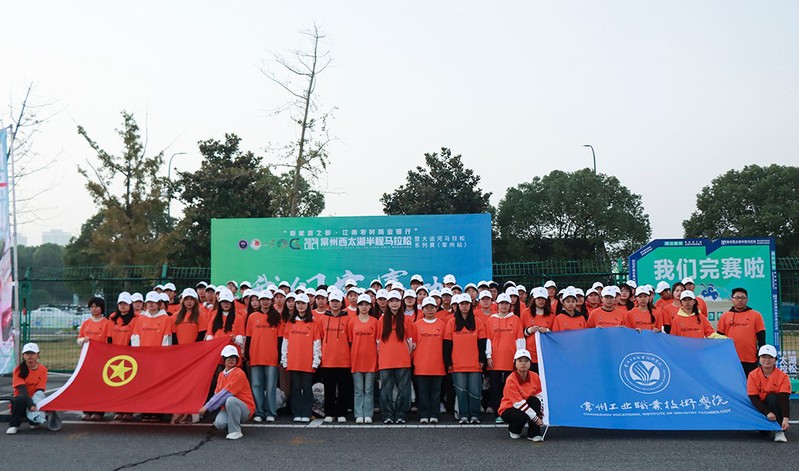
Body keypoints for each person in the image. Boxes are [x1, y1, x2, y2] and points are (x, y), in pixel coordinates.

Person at [444, 294, 487, 424]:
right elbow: (447, 344)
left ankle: (475, 415)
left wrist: (482, 360)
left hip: (474, 364)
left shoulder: (477, 321)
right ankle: (463, 415)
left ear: (471, 305)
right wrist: (448, 362)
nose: (464, 306)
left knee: (475, 391)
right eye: (462, 304)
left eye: (466, 304)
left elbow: (482, 343)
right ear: (458, 306)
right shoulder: (452, 322)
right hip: (457, 364)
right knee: (461, 391)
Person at [200, 345, 255, 440]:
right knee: (219, 424)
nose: (231, 360)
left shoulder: (239, 373)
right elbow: (217, 394)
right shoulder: (221, 375)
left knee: (230, 399)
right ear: (224, 359)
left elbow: (226, 393)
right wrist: (207, 405)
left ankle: (235, 431)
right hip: (228, 407)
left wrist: (208, 407)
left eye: (234, 357)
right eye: (228, 357)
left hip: (245, 408)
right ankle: (232, 424)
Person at [281, 293, 321, 422]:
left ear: (307, 305)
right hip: (294, 361)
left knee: (307, 388)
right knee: (296, 388)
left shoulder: (314, 322)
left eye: (303, 303)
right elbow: (285, 342)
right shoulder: (290, 322)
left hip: (308, 362)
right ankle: (297, 413)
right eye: (298, 303)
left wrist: (316, 361)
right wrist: (284, 360)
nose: (300, 306)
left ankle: (307, 413)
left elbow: (317, 343)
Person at [485, 293, 525, 423]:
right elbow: (488, 340)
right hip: (495, 360)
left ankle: (511, 412)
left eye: (506, 303)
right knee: (495, 388)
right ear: (497, 305)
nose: (504, 306)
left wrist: (520, 358)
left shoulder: (515, 319)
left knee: (511, 388)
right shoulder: (491, 320)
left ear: (510, 305)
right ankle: (498, 413)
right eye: (501, 303)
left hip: (511, 360)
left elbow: (520, 339)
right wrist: (488, 356)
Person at [377, 291, 415, 424]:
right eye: (391, 301)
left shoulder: (407, 319)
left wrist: (406, 355)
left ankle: (401, 414)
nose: (394, 303)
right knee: (385, 390)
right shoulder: (381, 320)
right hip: (386, 361)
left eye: (397, 301)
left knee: (404, 390)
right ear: (387, 303)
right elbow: (378, 341)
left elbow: (411, 342)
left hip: (402, 361)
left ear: (401, 302)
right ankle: (387, 415)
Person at [245, 290, 282, 423]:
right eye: (262, 300)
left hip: (271, 356)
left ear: (271, 301)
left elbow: (280, 339)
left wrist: (279, 356)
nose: (265, 302)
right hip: (255, 355)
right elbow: (248, 337)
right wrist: (247, 355)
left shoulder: (277, 317)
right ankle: (259, 412)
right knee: (256, 385)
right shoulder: (252, 317)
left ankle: (271, 412)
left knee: (271, 386)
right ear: (259, 302)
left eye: (267, 299)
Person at [319, 290, 352, 423]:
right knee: (329, 389)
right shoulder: (323, 319)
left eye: (337, 301)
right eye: (333, 301)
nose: (335, 304)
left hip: (344, 360)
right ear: (329, 302)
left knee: (343, 389)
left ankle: (342, 413)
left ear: (341, 303)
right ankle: (329, 413)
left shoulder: (348, 319)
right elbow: (321, 337)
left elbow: (350, 339)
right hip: (327, 360)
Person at [717, 288, 766, 378]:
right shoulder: (724, 316)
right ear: (732, 299)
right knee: (732, 381)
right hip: (731, 359)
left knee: (750, 383)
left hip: (750, 358)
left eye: (743, 298)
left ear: (747, 299)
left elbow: (761, 337)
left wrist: (761, 354)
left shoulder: (756, 315)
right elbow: (719, 338)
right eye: (737, 297)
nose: (740, 300)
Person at [498, 349, 545, 442]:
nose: (523, 363)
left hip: (526, 405)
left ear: (530, 363)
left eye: (526, 361)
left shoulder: (535, 376)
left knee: (535, 401)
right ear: (515, 363)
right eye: (520, 361)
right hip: (510, 407)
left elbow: (539, 394)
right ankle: (514, 430)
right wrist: (536, 418)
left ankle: (534, 433)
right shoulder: (511, 379)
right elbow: (518, 403)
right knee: (521, 416)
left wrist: (541, 410)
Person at [747, 345, 791, 442]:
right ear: (759, 359)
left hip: (774, 405)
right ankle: (765, 425)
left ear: (775, 359)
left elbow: (784, 398)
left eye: (770, 357)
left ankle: (779, 430)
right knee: (764, 432)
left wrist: (785, 418)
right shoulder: (753, 375)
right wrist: (767, 412)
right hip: (760, 407)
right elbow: (753, 397)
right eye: (763, 357)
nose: (767, 360)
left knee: (771, 397)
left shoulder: (783, 376)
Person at [413, 296, 446, 424]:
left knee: (436, 392)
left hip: (438, 364)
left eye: (432, 307)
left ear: (436, 308)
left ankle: (434, 414)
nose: (429, 310)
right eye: (427, 308)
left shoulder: (442, 324)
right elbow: (413, 345)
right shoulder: (417, 325)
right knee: (423, 392)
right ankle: (424, 414)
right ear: (423, 309)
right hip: (421, 364)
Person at [349, 294, 379, 424]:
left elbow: (378, 342)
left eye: (367, 304)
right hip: (356, 360)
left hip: (371, 360)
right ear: (358, 306)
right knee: (358, 389)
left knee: (369, 389)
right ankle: (358, 414)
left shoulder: (375, 322)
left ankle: (368, 414)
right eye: (361, 304)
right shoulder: (352, 322)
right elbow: (350, 341)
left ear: (371, 306)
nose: (364, 307)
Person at [6, 343, 48, 435]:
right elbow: (23, 391)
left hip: (35, 400)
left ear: (37, 355)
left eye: (32, 353)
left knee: (40, 397)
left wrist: (35, 404)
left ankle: (33, 421)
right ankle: (14, 425)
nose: (30, 356)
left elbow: (40, 390)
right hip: (22, 403)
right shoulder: (18, 370)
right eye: (27, 353)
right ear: (23, 355)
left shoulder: (43, 369)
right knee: (19, 399)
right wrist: (31, 405)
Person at [521, 287, 554, 374]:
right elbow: (520, 333)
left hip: (545, 354)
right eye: (539, 298)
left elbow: (554, 334)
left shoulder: (551, 315)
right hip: (529, 354)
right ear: (534, 299)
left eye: (543, 298)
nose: (541, 301)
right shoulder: (525, 313)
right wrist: (529, 330)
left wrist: (547, 331)